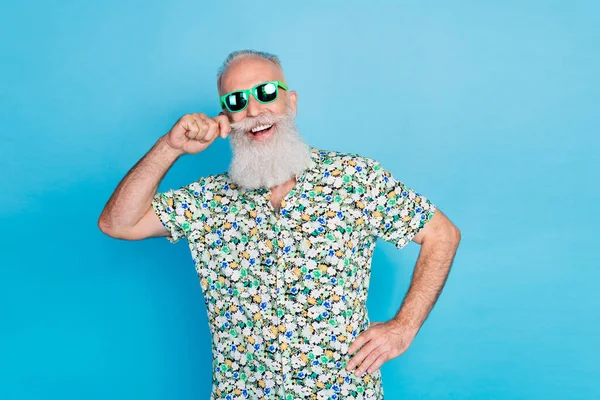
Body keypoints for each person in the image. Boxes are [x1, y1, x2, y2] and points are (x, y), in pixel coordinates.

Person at [98, 49, 461, 400]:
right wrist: (170, 146)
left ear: (292, 102)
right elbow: (118, 224)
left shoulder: (355, 178)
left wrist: (404, 327)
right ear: (226, 119)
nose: (254, 110)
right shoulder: (207, 201)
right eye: (237, 102)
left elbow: (441, 233)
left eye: (266, 93)